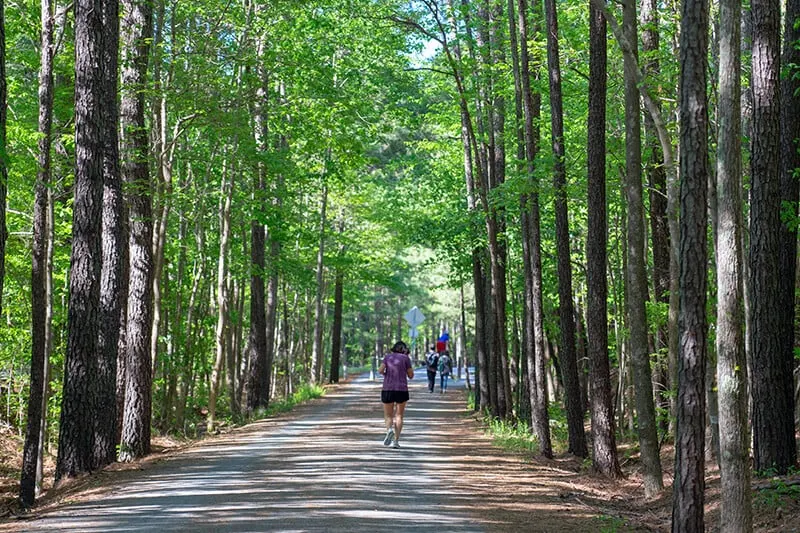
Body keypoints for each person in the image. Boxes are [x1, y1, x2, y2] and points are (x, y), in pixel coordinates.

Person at [379, 340, 414, 449]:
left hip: (387, 388)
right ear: (404, 349)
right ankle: (396, 441)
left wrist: (387, 375)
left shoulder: (387, 357)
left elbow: (380, 370)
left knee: (388, 415)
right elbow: (411, 375)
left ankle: (389, 430)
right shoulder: (406, 359)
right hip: (401, 389)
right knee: (399, 415)